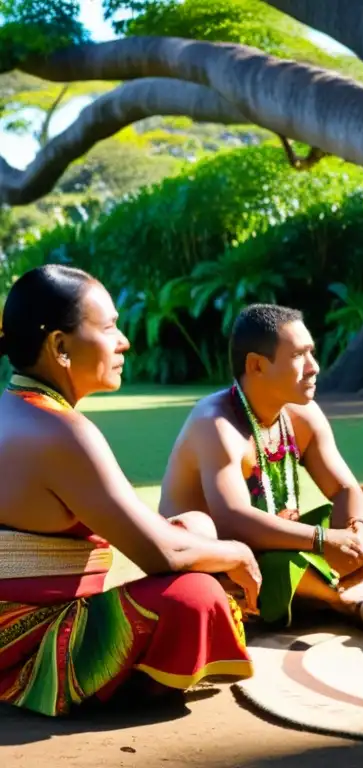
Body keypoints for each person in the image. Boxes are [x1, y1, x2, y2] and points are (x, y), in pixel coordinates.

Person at [0, 265, 261, 717]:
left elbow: (152, 533)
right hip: (24, 646)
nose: (123, 341)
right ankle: (121, 690)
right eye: (108, 328)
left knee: (196, 527)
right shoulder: (61, 432)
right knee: (193, 596)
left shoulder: (19, 409)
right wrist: (239, 554)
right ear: (60, 347)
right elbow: (162, 554)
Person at [159, 304, 363, 636]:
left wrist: (357, 532)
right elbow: (233, 518)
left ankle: (354, 579)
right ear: (257, 365)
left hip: (287, 544)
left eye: (312, 353)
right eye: (299, 356)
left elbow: (345, 490)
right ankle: (356, 598)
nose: (313, 367)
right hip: (229, 564)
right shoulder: (216, 425)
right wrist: (322, 540)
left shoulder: (303, 415)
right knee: (220, 538)